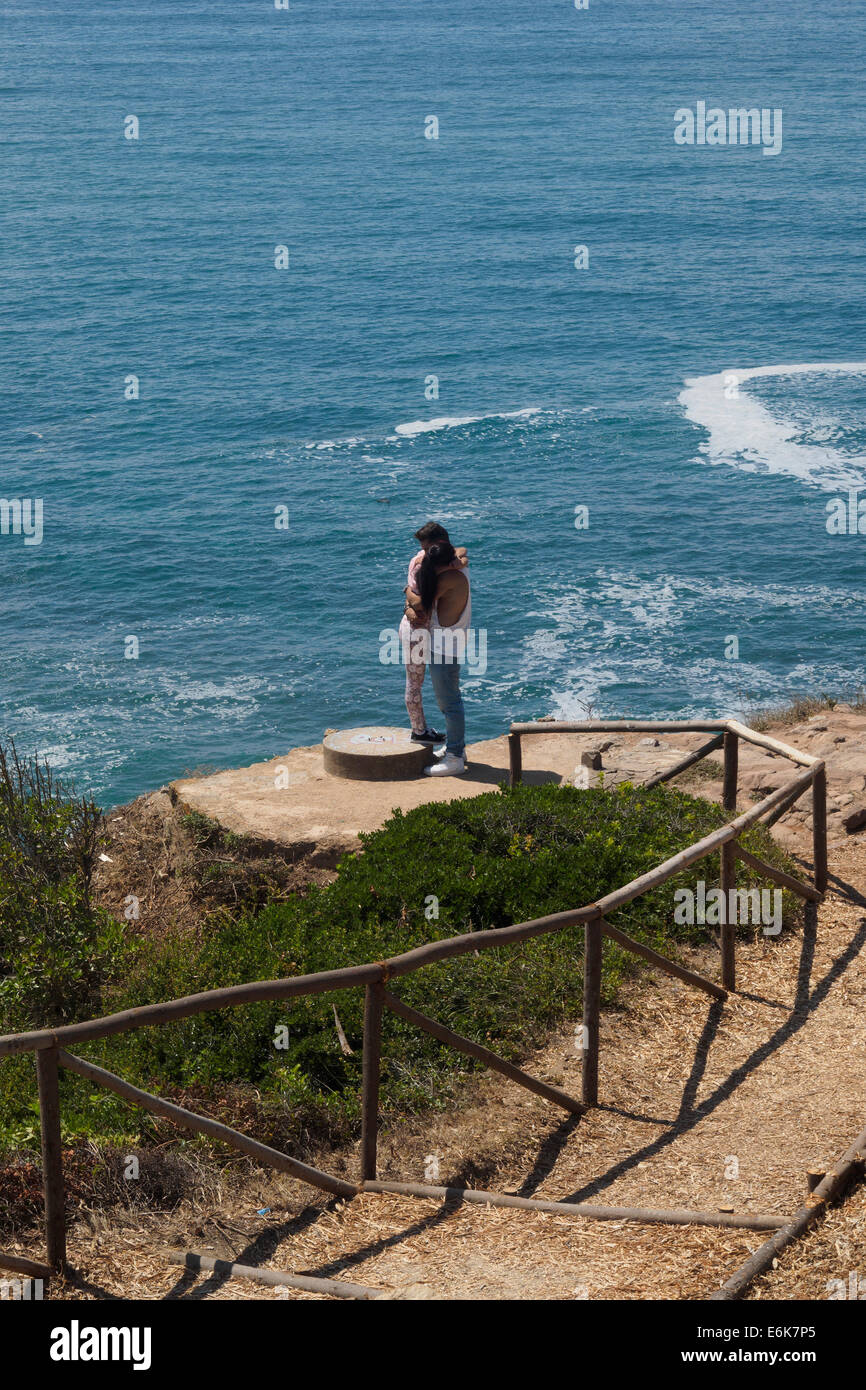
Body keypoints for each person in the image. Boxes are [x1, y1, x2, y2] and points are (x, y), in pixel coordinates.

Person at [406, 540, 470, 777]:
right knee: (451, 700)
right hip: (450, 642)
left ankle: (454, 757)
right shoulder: (460, 570)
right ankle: (457, 750)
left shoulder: (447, 579)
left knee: (450, 704)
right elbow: (463, 552)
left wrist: (406, 591)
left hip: (445, 646)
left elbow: (420, 604)